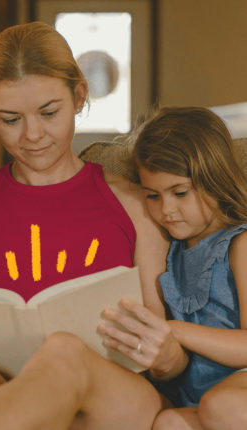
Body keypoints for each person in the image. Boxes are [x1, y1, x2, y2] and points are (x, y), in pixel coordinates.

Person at [0, 22, 177, 429]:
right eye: (10, 119)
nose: (33, 135)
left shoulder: (135, 202)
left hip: (115, 397)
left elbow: (167, 356)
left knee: (64, 350)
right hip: (2, 392)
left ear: (79, 95)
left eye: (49, 112)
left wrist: (167, 355)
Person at [124, 106, 247, 429]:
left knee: (222, 406)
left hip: (238, 389)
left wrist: (174, 331)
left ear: (214, 179)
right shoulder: (170, 253)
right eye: (152, 196)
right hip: (199, 401)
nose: (167, 210)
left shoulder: (240, 245)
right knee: (167, 423)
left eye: (180, 193)